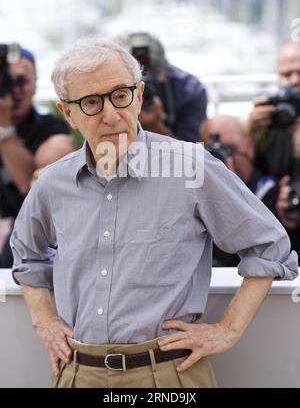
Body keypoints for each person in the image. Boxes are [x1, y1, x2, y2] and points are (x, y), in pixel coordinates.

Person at [10, 38, 298, 389]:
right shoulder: (54, 182)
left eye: (120, 95)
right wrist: (44, 322)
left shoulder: (191, 166)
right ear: (67, 112)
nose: (112, 114)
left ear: (140, 94)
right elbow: (25, 254)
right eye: (91, 102)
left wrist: (227, 331)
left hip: (168, 376)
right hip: (77, 372)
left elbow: (269, 245)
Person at [0, 47, 71, 268]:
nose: (14, 90)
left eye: (21, 80)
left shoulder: (52, 128)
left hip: (34, 238)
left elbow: (29, 186)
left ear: (35, 83)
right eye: (6, 81)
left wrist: (4, 126)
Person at [201, 114, 278, 266]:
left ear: (249, 146)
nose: (221, 159)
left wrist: (231, 189)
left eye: (229, 149)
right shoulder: (196, 198)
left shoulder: (270, 190)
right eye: (212, 153)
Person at [247, 40, 300, 256]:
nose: (295, 81)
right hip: (275, 221)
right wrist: (249, 131)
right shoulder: (268, 121)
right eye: (287, 75)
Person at [116, 31, 207, 142]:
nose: (141, 93)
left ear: (164, 71)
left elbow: (192, 153)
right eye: (134, 83)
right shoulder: (102, 88)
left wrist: (156, 125)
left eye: (148, 81)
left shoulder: (189, 90)